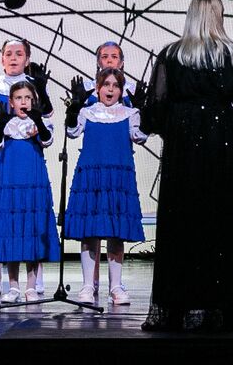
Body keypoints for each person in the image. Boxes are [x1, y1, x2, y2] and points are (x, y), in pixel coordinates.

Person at [138, 0, 233, 332]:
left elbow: (154, 111)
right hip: (220, 143)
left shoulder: (171, 55)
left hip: (183, 147)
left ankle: (175, 308)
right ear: (217, 17)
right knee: (220, 221)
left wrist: (176, 120)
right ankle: (222, 308)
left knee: (181, 221)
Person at [0, 38, 53, 294]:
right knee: (0, 214)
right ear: (2, 58)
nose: (14, 58)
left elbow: (47, 115)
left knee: (29, 211)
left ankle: (35, 278)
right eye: (9, 53)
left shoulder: (32, 85)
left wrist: (43, 90)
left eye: (19, 53)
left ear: (27, 59)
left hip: (24, 157)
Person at [63, 68, 147, 305]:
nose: (110, 89)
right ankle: (88, 285)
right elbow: (72, 132)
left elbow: (140, 136)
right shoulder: (88, 112)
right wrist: (74, 108)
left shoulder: (129, 113)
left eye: (115, 85)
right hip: (92, 177)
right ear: (98, 88)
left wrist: (145, 110)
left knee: (115, 232)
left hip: (118, 178)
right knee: (90, 232)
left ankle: (115, 287)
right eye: (106, 84)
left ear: (121, 90)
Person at [0, 81, 60, 303]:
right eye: (19, 98)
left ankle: (31, 286)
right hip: (10, 185)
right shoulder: (6, 123)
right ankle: (14, 286)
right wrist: (1, 124)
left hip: (33, 184)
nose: (23, 102)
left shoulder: (40, 123)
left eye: (28, 98)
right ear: (11, 102)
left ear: (33, 101)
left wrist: (38, 120)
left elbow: (46, 140)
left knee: (32, 231)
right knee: (12, 232)